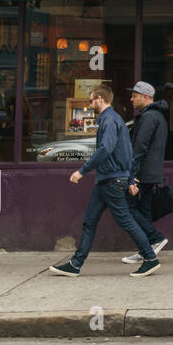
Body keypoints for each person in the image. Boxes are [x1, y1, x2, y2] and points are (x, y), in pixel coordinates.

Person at [49, 85, 161, 278]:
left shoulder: (109, 120)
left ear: (100, 99)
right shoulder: (114, 119)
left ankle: (151, 259)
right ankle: (75, 265)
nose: (89, 104)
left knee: (125, 220)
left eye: (91, 100)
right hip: (108, 180)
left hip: (111, 180)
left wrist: (82, 171)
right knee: (89, 222)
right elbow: (127, 152)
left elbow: (105, 149)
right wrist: (130, 178)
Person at [120, 82, 171, 265]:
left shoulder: (149, 117)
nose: (132, 98)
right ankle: (146, 250)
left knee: (127, 209)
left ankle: (155, 238)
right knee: (143, 211)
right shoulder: (154, 116)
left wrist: (131, 173)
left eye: (135, 95)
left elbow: (140, 147)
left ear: (146, 97)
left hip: (143, 173)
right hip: (150, 173)